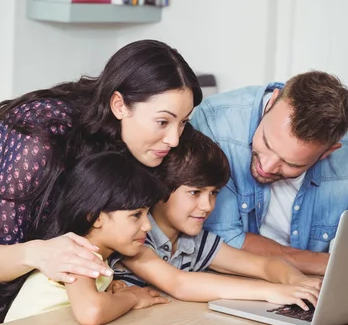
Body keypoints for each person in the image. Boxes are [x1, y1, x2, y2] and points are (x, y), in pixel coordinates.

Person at [0, 39, 201, 325]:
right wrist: (38, 253)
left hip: (42, 313)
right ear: (119, 105)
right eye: (163, 122)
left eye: (183, 123)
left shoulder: (135, 143)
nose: (174, 139)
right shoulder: (39, 136)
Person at [112, 126, 321, 311]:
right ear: (159, 188)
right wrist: (271, 291)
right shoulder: (135, 237)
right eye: (195, 192)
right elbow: (179, 284)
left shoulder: (195, 242)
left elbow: (265, 265)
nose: (207, 206)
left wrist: (299, 282)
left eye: (214, 193)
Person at [191, 71, 348, 276]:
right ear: (271, 103)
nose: (267, 167)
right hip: (225, 280)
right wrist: (327, 264)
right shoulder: (215, 123)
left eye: (290, 163)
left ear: (327, 152)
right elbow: (218, 240)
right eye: (266, 143)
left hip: (311, 286)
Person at [5, 153, 169, 325]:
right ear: (95, 217)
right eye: (136, 215)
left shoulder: (92, 254)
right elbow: (91, 313)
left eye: (147, 214)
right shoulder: (76, 253)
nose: (147, 226)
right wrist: (133, 297)